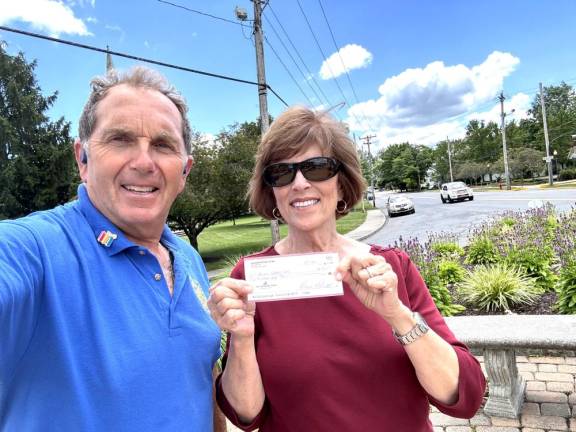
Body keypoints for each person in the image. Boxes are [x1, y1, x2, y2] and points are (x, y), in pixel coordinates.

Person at [208, 106, 486, 431]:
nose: (299, 183)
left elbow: (464, 395)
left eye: (316, 168)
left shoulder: (392, 267)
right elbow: (245, 415)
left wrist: (397, 315)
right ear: (272, 190)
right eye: (282, 172)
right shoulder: (251, 278)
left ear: (341, 183)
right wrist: (241, 338)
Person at [0, 66, 225, 431]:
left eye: (163, 145)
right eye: (120, 140)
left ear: (185, 171)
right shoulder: (34, 250)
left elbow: (201, 378)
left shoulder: (188, 259)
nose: (143, 162)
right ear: (82, 159)